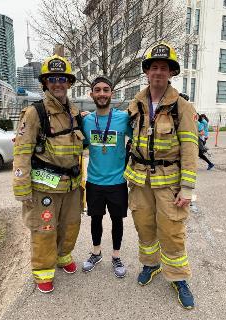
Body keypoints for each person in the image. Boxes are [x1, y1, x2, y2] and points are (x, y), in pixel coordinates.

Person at [124, 42, 198, 309]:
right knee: (144, 227)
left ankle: (179, 278)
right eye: (153, 67)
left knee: (172, 231)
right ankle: (150, 265)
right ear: (146, 71)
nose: (158, 72)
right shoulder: (135, 104)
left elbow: (190, 148)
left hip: (169, 182)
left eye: (163, 68)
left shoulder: (182, 107)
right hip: (140, 180)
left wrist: (187, 188)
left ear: (171, 73)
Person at [13, 54, 84, 293]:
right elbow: (22, 151)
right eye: (52, 79)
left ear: (69, 82)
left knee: (71, 223)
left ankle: (63, 256)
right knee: (45, 229)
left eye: (62, 79)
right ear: (45, 83)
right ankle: (43, 270)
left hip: (71, 185)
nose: (58, 83)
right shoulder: (34, 113)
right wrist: (22, 188)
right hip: (45, 186)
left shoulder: (74, 111)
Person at [82, 76, 132, 278]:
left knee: (117, 220)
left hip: (118, 182)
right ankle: (96, 252)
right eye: (97, 90)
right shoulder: (85, 120)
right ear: (91, 94)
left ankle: (116, 256)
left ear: (112, 93)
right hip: (94, 181)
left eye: (106, 90)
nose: (102, 94)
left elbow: (140, 136)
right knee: (95, 219)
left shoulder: (123, 118)